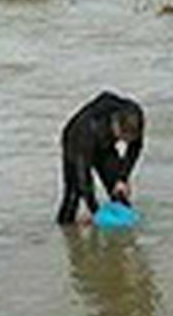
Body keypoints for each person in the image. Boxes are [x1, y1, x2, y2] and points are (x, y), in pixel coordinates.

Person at [56, 91, 145, 225]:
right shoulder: (85, 132)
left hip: (105, 145)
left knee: (118, 191)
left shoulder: (134, 115)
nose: (126, 143)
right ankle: (66, 229)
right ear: (115, 125)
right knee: (73, 194)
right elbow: (84, 179)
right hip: (75, 142)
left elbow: (135, 148)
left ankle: (123, 240)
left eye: (129, 139)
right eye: (123, 139)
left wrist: (123, 178)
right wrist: (96, 211)